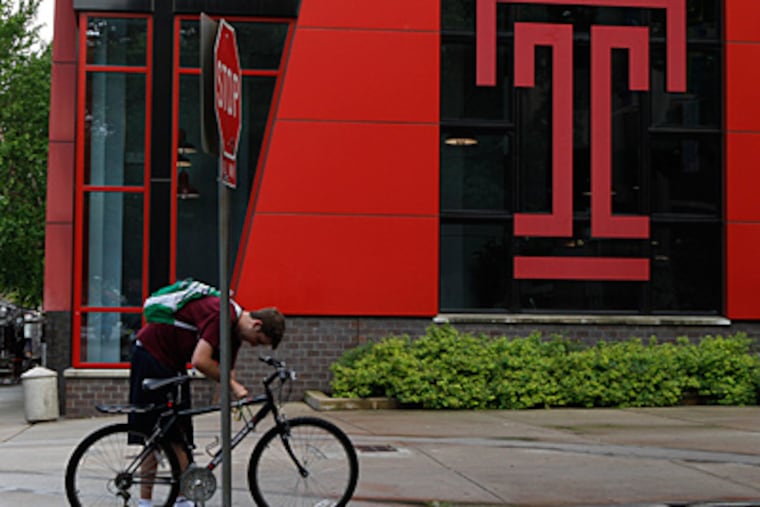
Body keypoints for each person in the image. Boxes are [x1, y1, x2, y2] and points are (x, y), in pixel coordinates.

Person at [128, 294, 285, 507]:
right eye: (257, 341)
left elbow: (226, 369)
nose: (253, 345)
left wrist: (230, 394)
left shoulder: (234, 331)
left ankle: (180, 497)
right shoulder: (221, 315)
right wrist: (233, 387)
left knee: (177, 431)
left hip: (171, 361)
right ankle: (156, 501)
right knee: (162, 432)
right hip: (152, 354)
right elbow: (200, 361)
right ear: (256, 325)